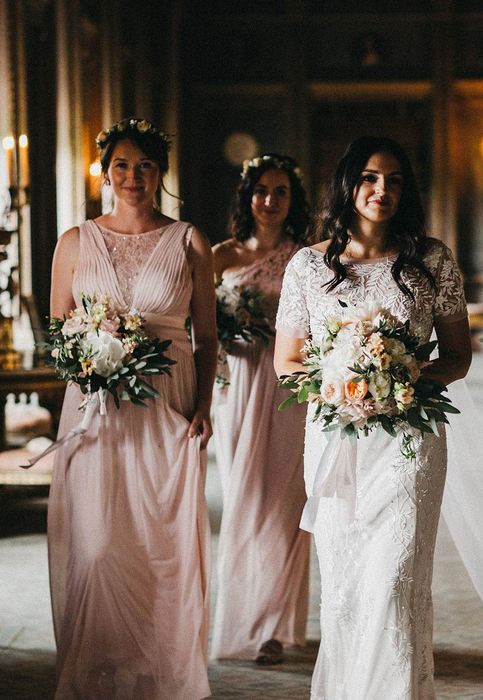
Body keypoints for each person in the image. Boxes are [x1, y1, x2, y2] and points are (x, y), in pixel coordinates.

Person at [273, 136, 472, 699]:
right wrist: (341, 384)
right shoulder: (309, 266)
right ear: (347, 185)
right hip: (339, 438)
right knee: (347, 583)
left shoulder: (431, 260)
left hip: (410, 441)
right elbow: (287, 362)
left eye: (394, 180)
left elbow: (457, 356)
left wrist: (404, 380)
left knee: (395, 579)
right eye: (369, 177)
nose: (382, 190)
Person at [47, 117, 217, 699]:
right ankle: (96, 663)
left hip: (166, 404)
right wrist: (91, 360)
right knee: (95, 545)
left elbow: (207, 338)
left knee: (157, 545)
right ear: (104, 171)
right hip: (95, 408)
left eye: (145, 166)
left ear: (161, 173)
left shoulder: (190, 240)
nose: (133, 177)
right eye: (122, 164)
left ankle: (156, 667)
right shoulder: (74, 241)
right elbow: (58, 334)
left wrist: (203, 405)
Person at [210, 154, 311, 665]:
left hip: (288, 389)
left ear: (293, 201)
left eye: (281, 192)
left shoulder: (307, 259)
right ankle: (239, 615)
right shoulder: (220, 256)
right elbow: (197, 328)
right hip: (238, 388)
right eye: (262, 191)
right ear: (247, 196)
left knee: (286, 504)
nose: (270, 201)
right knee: (244, 499)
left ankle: (273, 627)